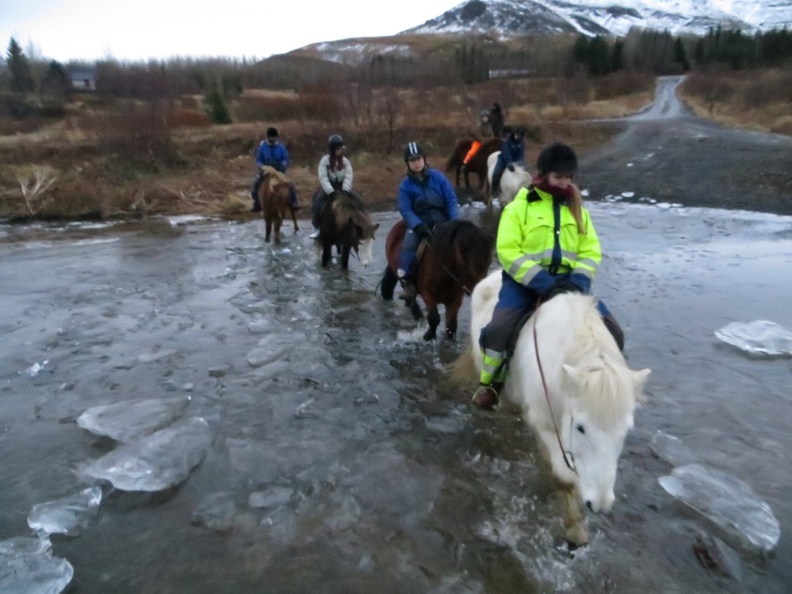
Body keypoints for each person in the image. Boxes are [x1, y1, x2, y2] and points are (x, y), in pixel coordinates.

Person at [472, 142, 623, 411]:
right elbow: (508, 251)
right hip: (525, 284)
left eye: (569, 177)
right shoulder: (519, 208)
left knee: (614, 331)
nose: (565, 183)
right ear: (543, 175)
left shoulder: (577, 210)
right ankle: (491, 384)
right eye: (559, 177)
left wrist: (578, 281)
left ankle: (604, 391)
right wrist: (543, 283)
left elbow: (590, 250)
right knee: (498, 331)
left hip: (569, 284)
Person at [397, 141, 460, 301]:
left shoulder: (439, 178)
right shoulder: (405, 186)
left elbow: (451, 200)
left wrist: (454, 222)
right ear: (408, 164)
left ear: (424, 159)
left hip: (443, 220)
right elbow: (405, 209)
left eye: (418, 159)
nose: (416, 163)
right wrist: (418, 226)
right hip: (420, 222)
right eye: (412, 161)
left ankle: (466, 276)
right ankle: (408, 282)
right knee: (408, 245)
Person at [309, 134, 354, 239]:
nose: (340, 151)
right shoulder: (324, 161)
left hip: (342, 187)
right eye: (338, 149)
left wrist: (346, 189)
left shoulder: (346, 162)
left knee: (357, 200)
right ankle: (317, 227)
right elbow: (323, 177)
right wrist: (330, 191)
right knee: (317, 202)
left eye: (341, 149)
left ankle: (360, 225)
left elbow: (349, 176)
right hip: (329, 188)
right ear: (332, 150)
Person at [250, 127, 298, 212]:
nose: (273, 139)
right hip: (266, 171)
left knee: (291, 185)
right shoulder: (262, 148)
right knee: (255, 185)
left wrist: (282, 165)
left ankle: (294, 202)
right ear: (268, 137)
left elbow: (285, 158)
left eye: (274, 137)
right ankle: (256, 203)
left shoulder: (281, 147)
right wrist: (262, 166)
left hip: (279, 171)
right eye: (271, 137)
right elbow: (259, 160)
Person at [490, 126, 525, 197]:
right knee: (496, 172)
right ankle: (494, 190)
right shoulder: (507, 140)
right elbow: (506, 152)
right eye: (517, 135)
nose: (518, 137)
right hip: (504, 159)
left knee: (525, 172)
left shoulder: (521, 142)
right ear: (514, 134)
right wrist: (509, 163)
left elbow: (521, 153)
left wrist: (519, 162)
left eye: (520, 136)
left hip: (516, 161)